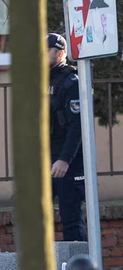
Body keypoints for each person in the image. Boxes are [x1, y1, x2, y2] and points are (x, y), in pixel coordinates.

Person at [48, 32, 87, 241]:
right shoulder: (41, 80)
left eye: (46, 52)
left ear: (61, 53)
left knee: (70, 215)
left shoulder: (71, 82)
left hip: (68, 160)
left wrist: (64, 160)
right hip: (46, 156)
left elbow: (77, 125)